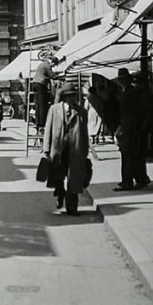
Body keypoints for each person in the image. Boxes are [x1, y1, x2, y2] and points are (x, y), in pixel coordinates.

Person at [41, 80, 90, 215]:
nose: (71, 99)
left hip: (75, 150)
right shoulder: (54, 109)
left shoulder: (81, 112)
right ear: (63, 97)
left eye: (73, 96)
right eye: (68, 96)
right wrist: (46, 148)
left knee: (74, 178)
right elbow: (48, 129)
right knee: (58, 176)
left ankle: (72, 208)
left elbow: (85, 133)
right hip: (58, 150)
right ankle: (60, 193)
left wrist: (85, 151)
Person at [113, 69, 149, 191]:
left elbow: (130, 114)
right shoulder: (128, 92)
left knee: (128, 156)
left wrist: (122, 129)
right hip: (130, 128)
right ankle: (140, 178)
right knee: (134, 155)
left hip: (130, 129)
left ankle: (127, 181)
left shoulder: (129, 93)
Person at [32, 54, 58, 131]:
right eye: (54, 64)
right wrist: (58, 76)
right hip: (41, 84)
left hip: (35, 84)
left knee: (38, 104)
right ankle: (42, 123)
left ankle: (38, 121)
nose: (53, 66)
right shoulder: (47, 65)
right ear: (52, 62)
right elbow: (52, 76)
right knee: (43, 104)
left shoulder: (42, 64)